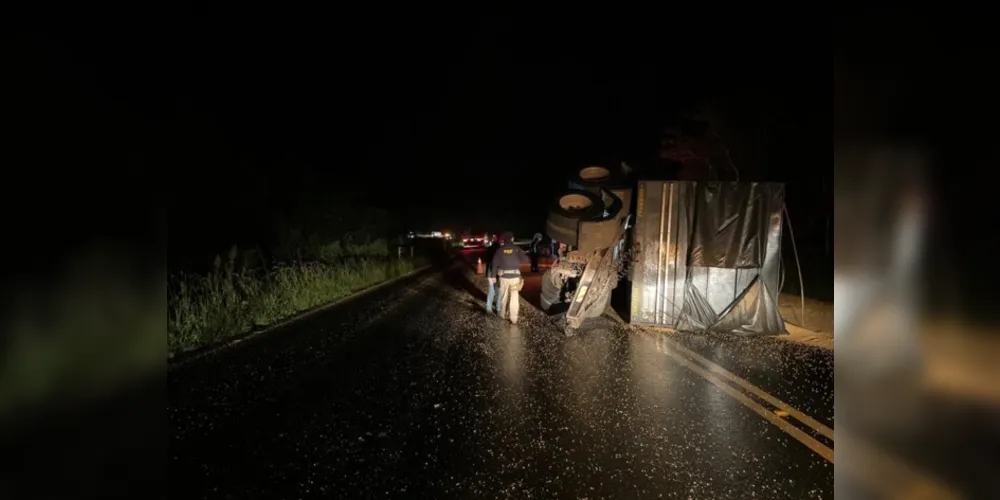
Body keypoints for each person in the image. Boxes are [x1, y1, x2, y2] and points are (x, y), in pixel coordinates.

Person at [489, 231, 530, 324]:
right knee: (514, 298)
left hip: (503, 277)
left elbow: (494, 263)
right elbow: (526, 260)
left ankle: (502, 314)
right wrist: (521, 255)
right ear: (512, 239)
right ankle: (513, 318)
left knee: (504, 296)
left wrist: (493, 276)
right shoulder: (516, 249)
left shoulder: (499, 250)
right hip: (515, 277)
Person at [483, 235, 504, 314]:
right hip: (498, 273)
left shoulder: (489, 249)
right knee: (500, 290)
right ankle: (498, 309)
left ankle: (489, 308)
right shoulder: (501, 250)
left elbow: (486, 260)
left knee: (491, 290)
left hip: (490, 272)